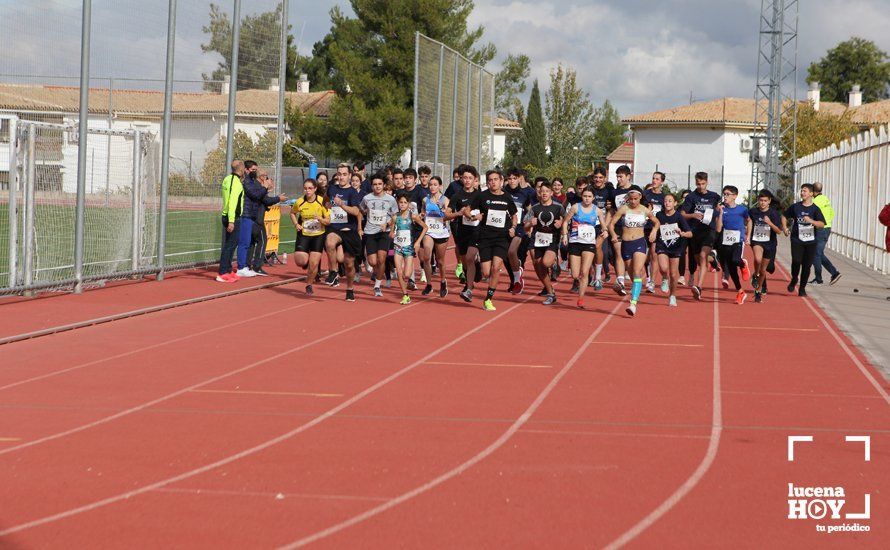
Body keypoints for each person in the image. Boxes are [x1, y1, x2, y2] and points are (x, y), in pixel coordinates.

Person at [460, 169, 518, 311]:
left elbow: (514, 214)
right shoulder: (482, 196)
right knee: (486, 273)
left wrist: (514, 227)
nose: (493, 182)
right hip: (485, 237)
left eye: (495, 179)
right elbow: (466, 210)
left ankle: (488, 299)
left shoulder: (507, 197)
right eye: (490, 180)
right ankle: (479, 269)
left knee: (496, 268)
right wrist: (473, 217)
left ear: (501, 181)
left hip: (502, 238)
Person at [609, 186, 659, 316]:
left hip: (639, 243)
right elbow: (611, 224)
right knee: (632, 274)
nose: (633, 201)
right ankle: (636, 288)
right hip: (626, 244)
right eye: (630, 199)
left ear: (640, 198)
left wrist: (654, 231)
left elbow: (656, 222)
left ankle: (633, 303)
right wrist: (613, 235)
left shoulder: (644, 210)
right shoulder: (624, 209)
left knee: (637, 271)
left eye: (635, 199)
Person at [563, 188, 607, 309]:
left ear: (593, 198)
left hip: (589, 243)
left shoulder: (597, 210)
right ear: (581, 197)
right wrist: (564, 235)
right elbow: (565, 221)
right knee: (575, 274)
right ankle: (581, 280)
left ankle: (581, 298)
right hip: (575, 242)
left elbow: (604, 226)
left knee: (584, 272)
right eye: (585, 196)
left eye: (589, 196)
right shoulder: (575, 207)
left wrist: (605, 232)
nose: (587, 198)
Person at [325, 163, 364, 301]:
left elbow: (356, 211)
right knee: (329, 242)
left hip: (349, 230)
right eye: (339, 174)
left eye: (344, 174)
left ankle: (350, 288)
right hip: (335, 228)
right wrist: (328, 206)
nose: (341, 177)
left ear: (349, 176)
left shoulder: (353, 192)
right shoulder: (332, 189)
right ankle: (333, 272)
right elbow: (326, 202)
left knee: (349, 264)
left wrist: (342, 204)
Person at [681, 172, 722, 301]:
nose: (700, 186)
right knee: (700, 260)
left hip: (709, 230)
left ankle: (698, 287)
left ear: (707, 182)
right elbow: (682, 214)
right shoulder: (691, 197)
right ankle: (713, 259)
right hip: (695, 231)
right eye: (698, 184)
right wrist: (693, 215)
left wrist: (718, 214)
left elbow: (718, 209)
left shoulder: (714, 196)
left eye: (703, 184)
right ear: (695, 182)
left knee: (703, 257)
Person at [783, 183, 826, 297]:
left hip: (811, 242)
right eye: (801, 191)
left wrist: (811, 221)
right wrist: (785, 228)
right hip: (797, 239)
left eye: (805, 191)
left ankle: (802, 288)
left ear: (811, 193)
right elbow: (784, 216)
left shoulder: (815, 209)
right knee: (796, 261)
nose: (802, 193)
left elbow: (822, 224)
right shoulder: (795, 207)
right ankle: (794, 278)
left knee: (807, 266)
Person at [359, 174, 398, 297]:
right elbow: (360, 211)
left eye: (379, 184)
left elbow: (394, 216)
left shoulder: (390, 199)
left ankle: (377, 285)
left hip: (383, 233)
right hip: (370, 232)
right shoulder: (366, 198)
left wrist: (388, 226)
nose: (377, 186)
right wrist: (359, 228)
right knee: (372, 262)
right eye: (375, 184)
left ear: (384, 185)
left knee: (381, 259)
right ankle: (379, 273)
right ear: (371, 186)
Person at [290, 179, 330, 295]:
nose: (307, 191)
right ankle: (305, 261)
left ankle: (309, 284)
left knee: (313, 264)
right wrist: (296, 224)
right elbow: (292, 213)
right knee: (300, 261)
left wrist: (320, 219)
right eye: (305, 188)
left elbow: (328, 221)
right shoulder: (300, 202)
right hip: (304, 234)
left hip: (318, 235)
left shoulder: (322, 201)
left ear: (315, 189)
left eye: (310, 188)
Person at [528, 181, 565, 304]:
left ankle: (554, 262)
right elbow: (525, 226)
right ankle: (550, 292)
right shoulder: (534, 208)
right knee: (538, 265)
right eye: (542, 191)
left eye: (546, 191)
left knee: (545, 262)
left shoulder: (558, 207)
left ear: (551, 193)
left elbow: (567, 220)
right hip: (537, 240)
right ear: (539, 193)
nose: (544, 193)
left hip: (552, 240)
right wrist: (530, 223)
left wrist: (561, 224)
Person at [715, 185, 751, 305]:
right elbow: (719, 229)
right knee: (731, 269)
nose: (725, 196)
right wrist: (720, 213)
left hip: (738, 241)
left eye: (727, 194)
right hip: (726, 242)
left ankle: (743, 263)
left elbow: (749, 221)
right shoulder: (722, 210)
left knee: (736, 260)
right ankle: (740, 292)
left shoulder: (742, 210)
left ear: (734, 196)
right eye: (724, 194)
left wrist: (748, 236)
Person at [655, 193, 692, 306]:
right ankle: (664, 278)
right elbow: (655, 227)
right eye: (666, 201)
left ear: (675, 203)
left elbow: (690, 234)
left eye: (670, 201)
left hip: (676, 247)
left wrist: (682, 233)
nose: (667, 203)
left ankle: (672, 296)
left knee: (674, 274)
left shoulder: (679, 216)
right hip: (662, 245)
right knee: (663, 268)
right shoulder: (659, 215)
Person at [747, 189, 784, 303]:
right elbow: (749, 222)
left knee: (764, 270)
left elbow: (778, 231)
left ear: (769, 201)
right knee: (757, 259)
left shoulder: (773, 213)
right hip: (757, 240)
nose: (762, 203)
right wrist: (748, 236)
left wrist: (770, 223)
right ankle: (756, 274)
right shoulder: (753, 211)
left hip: (769, 243)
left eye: (765, 201)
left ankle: (758, 290)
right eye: (761, 200)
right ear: (758, 200)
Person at [391, 194, 427, 305]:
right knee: (399, 272)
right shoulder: (395, 217)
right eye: (400, 202)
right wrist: (391, 234)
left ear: (408, 204)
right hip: (397, 247)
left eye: (404, 203)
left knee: (407, 274)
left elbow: (425, 227)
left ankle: (407, 283)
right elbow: (392, 231)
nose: (402, 205)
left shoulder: (413, 216)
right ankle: (405, 295)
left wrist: (418, 242)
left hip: (409, 248)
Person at [419, 176, 452, 298]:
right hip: (429, 231)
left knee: (440, 261)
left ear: (440, 186)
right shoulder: (425, 199)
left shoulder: (445, 200)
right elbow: (423, 212)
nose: (432, 187)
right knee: (426, 257)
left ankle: (443, 281)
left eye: (435, 184)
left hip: (441, 232)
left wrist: (443, 211)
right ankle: (429, 284)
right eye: (431, 185)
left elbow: (449, 215)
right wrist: (422, 214)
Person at [505, 168, 536, 294]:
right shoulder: (503, 192)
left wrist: (528, 225)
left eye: (514, 178)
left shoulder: (525, 193)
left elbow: (530, 210)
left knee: (512, 251)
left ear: (519, 179)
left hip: (519, 227)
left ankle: (517, 279)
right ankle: (514, 278)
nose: (512, 181)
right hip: (504, 227)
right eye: (509, 178)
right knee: (506, 256)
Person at [449, 166, 481, 286]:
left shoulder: (480, 196)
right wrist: (458, 213)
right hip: (462, 231)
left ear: (475, 179)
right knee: (464, 258)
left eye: (470, 178)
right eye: (465, 178)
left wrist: (480, 216)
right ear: (462, 179)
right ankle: (471, 273)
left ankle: (468, 285)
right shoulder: (456, 196)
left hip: (477, 231)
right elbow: (447, 214)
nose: (467, 180)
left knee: (469, 256)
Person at [249, 169, 286, 275]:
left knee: (252, 242)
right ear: (261, 177)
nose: (268, 179)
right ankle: (257, 266)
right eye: (266, 176)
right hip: (257, 219)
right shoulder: (258, 187)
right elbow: (266, 200)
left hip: (253, 218)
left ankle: (247, 264)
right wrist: (279, 198)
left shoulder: (255, 186)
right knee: (262, 240)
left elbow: (263, 199)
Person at [217, 160, 245, 282]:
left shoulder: (227, 179)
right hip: (232, 217)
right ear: (241, 169)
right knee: (230, 245)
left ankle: (228, 269)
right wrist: (232, 221)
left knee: (231, 243)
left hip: (227, 215)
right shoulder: (236, 183)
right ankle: (223, 272)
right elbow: (233, 202)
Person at [811, 182, 842, 285]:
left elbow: (812, 215)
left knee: (816, 254)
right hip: (827, 228)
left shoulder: (814, 201)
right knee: (819, 254)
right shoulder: (825, 199)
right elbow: (832, 213)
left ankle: (818, 279)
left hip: (820, 228)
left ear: (813, 191)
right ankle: (834, 273)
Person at [644, 172, 667, 293]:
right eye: (653, 178)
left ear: (662, 182)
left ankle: (651, 282)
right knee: (643, 256)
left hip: (656, 229)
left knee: (654, 254)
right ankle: (647, 278)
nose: (654, 181)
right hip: (643, 228)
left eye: (657, 179)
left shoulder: (664, 198)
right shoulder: (645, 194)